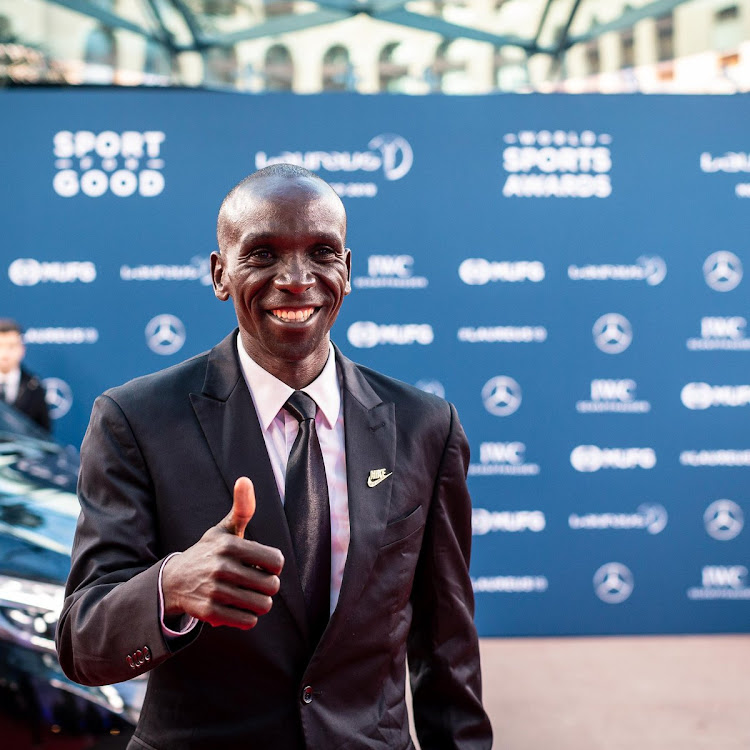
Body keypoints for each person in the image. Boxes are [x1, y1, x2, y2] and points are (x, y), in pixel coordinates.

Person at [56, 165, 492, 749]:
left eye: (321, 252)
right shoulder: (136, 420)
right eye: (262, 254)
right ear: (220, 273)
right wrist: (169, 588)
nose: (295, 279)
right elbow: (82, 643)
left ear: (348, 269)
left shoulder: (424, 426)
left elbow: (447, 649)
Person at [0, 318, 50, 432]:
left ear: (22, 349)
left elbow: (44, 435)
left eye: (11, 346)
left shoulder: (35, 387)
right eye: (0, 345)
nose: (5, 353)